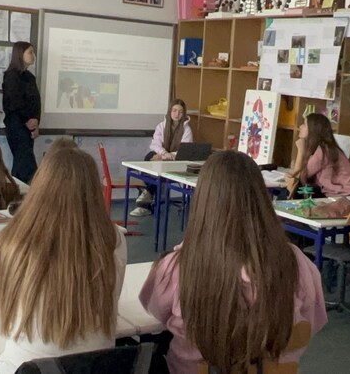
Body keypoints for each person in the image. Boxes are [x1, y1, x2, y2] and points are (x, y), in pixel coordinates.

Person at [139, 150, 327, 373]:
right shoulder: (295, 263)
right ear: (261, 199)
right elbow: (312, 322)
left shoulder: (179, 267)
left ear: (203, 202)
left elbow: (155, 312)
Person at [0, 143, 126, 373]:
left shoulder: (11, 241)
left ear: (39, 187)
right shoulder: (113, 240)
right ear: (94, 191)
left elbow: (8, 309)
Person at [130, 99, 193, 217]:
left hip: (176, 160)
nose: (177, 114)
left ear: (184, 114)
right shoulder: (161, 126)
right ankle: (148, 197)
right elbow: (155, 144)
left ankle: (145, 201)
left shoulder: (187, 129)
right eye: (174, 110)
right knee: (149, 156)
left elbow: (184, 149)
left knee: (155, 166)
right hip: (162, 156)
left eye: (180, 112)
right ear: (170, 111)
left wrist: (168, 156)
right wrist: (164, 154)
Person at [285, 112, 350, 198]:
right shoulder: (323, 147)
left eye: (304, 124)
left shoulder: (323, 151)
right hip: (341, 194)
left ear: (313, 130)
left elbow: (300, 176)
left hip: (346, 196)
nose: (300, 127)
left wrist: (301, 151)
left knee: (297, 192)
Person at [2, 41, 40, 183]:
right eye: (30, 52)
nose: (33, 55)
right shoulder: (11, 76)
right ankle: (22, 192)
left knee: (23, 166)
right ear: (20, 54)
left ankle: (17, 192)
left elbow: (36, 102)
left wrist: (36, 121)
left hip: (29, 127)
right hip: (17, 126)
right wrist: (27, 120)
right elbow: (14, 103)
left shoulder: (30, 77)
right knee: (26, 166)